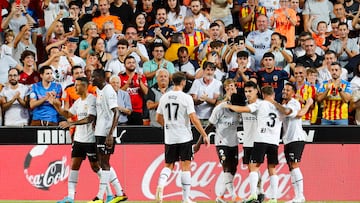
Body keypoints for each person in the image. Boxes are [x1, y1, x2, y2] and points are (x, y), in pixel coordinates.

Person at [155, 72, 210, 203]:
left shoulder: (164, 97)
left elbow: (157, 118)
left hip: (170, 137)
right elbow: (194, 119)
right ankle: (185, 198)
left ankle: (161, 185)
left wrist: (168, 126)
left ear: (172, 81)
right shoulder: (186, 98)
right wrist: (204, 134)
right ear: (184, 82)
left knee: (168, 165)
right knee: (186, 166)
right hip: (184, 136)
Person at [225, 86, 282, 203]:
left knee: (254, 166)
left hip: (259, 139)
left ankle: (255, 193)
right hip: (264, 141)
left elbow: (243, 109)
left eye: (250, 91)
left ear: (258, 92)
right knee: (264, 168)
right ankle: (269, 196)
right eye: (246, 91)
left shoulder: (259, 104)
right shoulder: (278, 107)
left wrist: (229, 106)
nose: (247, 94)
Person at [193, 79, 243, 203]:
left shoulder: (240, 109)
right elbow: (209, 126)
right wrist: (199, 143)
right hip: (221, 142)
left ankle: (220, 196)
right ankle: (233, 195)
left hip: (233, 142)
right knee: (226, 166)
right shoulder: (220, 109)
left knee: (233, 168)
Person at [50, 77, 98, 203]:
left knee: (96, 167)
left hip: (90, 139)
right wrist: (56, 105)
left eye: (77, 86)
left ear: (84, 86)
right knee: (74, 166)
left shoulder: (92, 99)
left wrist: (72, 124)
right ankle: (70, 197)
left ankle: (109, 192)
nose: (75, 88)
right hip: (78, 140)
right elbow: (68, 114)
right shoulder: (78, 102)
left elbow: (90, 119)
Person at [89, 69, 128, 203]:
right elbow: (103, 110)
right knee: (103, 163)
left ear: (100, 78)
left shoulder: (109, 91)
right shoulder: (99, 91)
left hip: (106, 133)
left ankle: (100, 197)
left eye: (93, 77)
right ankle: (120, 192)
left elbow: (116, 112)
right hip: (100, 131)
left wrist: (111, 134)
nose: (91, 79)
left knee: (104, 163)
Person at [272, 82, 314, 203]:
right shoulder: (284, 104)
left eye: (288, 90)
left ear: (293, 93)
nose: (285, 91)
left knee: (295, 166)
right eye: (284, 89)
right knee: (291, 167)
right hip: (288, 139)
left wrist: (308, 104)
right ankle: (297, 197)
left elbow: (300, 114)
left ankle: (300, 196)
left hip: (296, 138)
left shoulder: (293, 103)